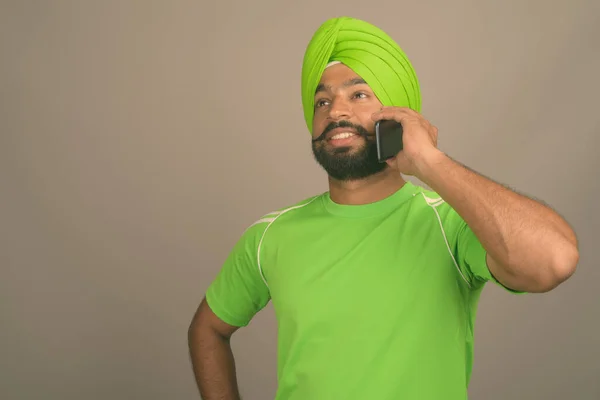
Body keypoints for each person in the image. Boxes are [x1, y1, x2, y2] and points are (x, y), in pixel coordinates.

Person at [188, 16, 579, 400]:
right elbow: (208, 329)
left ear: (399, 116)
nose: (336, 112)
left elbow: (554, 261)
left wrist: (430, 162)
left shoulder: (451, 224)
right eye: (322, 101)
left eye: (358, 95)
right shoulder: (270, 236)